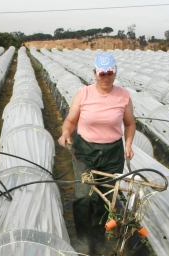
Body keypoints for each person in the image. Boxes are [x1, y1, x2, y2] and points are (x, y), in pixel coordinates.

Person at [58, 53, 135, 246]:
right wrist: (65, 133)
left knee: (106, 197)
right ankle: (84, 239)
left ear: (115, 74)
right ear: (94, 73)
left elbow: (130, 124)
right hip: (86, 151)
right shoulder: (83, 94)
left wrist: (128, 144)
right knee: (84, 196)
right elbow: (70, 120)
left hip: (112, 153)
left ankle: (99, 238)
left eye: (109, 73)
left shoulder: (123, 96)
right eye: (101, 74)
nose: (105, 78)